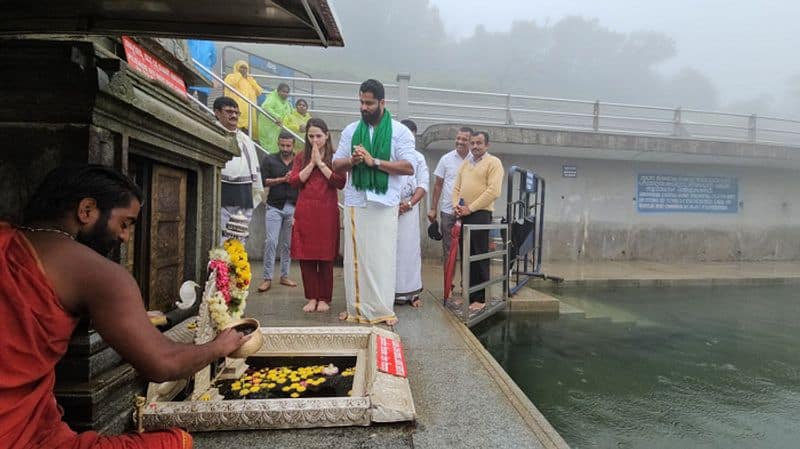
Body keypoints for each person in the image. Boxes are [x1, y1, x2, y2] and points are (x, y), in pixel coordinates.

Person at [0, 164, 250, 449]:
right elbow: (162, 364)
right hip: (16, 435)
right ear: (87, 210)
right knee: (174, 442)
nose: (125, 237)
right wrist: (220, 346)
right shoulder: (100, 274)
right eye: (125, 223)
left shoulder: (9, 239)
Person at [332, 79, 415, 326]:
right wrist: (353, 161)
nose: (364, 107)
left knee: (381, 258)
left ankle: (381, 309)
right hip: (357, 200)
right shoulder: (350, 131)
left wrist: (375, 162)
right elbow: (336, 164)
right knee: (357, 257)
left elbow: (409, 166)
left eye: (369, 103)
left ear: (382, 102)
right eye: (361, 102)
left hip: (386, 202)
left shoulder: (400, 132)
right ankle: (356, 308)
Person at [288, 118, 346, 313]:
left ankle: (324, 298)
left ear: (327, 135)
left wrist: (321, 164)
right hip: (305, 211)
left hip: (327, 212)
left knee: (326, 257)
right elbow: (295, 182)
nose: (315, 140)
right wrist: (311, 163)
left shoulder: (335, 157)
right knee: (307, 257)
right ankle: (311, 296)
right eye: (311, 136)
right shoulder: (300, 157)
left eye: (319, 136)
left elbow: (339, 182)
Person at [451, 131, 503, 312]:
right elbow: (456, 187)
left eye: (479, 143)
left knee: (479, 256)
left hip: (480, 214)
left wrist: (470, 208)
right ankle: (468, 294)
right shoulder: (466, 164)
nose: (475, 146)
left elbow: (493, 191)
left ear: (487, 145)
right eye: (472, 143)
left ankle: (481, 298)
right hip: (463, 214)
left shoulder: (494, 163)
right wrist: (456, 205)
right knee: (466, 256)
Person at [214, 96, 264, 244]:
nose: (234, 115)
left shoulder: (245, 139)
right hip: (223, 191)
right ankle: (221, 267)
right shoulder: (213, 133)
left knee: (240, 238)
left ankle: (238, 265)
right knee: (222, 238)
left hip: (244, 193)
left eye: (236, 112)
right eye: (229, 111)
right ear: (217, 112)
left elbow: (253, 167)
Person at [258, 131, 299, 293]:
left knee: (288, 244)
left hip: (293, 206)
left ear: (293, 145)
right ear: (278, 143)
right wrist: (282, 179)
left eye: (288, 145)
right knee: (271, 242)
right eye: (282, 145)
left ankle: (284, 276)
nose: (285, 148)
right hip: (274, 206)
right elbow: (263, 181)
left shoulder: (299, 161)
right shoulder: (269, 159)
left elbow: (303, 181)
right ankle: (267, 278)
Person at [396, 119, 429, 308]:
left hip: (409, 212)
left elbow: (423, 185)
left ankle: (412, 294)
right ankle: (388, 293)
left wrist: (408, 204)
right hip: (389, 211)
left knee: (409, 252)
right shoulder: (390, 155)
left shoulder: (418, 158)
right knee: (390, 253)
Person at [428, 126, 473, 262]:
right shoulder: (446, 159)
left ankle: (465, 283)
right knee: (448, 250)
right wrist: (433, 208)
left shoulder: (476, 160)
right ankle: (448, 283)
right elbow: (438, 185)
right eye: (458, 138)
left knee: (468, 250)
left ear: (471, 142)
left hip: (469, 211)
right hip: (448, 212)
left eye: (464, 139)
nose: (459, 141)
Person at [223, 60, 263, 138]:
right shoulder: (231, 76)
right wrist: (238, 75)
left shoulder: (249, 80)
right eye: (241, 67)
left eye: (245, 68)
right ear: (237, 68)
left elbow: (259, 91)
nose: (243, 70)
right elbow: (230, 84)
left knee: (247, 132)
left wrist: (251, 80)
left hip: (249, 111)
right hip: (236, 108)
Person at [257, 83, 293, 153]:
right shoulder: (272, 98)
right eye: (283, 91)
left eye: (287, 92)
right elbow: (265, 106)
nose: (285, 94)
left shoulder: (286, 103)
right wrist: (277, 117)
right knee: (269, 149)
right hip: (268, 128)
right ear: (278, 91)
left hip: (278, 129)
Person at [186, 39, 217, 106]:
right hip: (204, 73)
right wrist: (206, 65)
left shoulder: (189, 40)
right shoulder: (210, 43)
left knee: (186, 97)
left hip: (190, 71)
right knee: (203, 100)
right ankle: (203, 113)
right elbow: (213, 60)